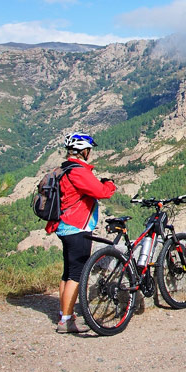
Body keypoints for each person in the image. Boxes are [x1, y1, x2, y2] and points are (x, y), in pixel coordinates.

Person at [46, 132, 116, 334]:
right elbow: (102, 192)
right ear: (83, 151)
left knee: (68, 272)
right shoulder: (78, 171)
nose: (90, 153)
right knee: (77, 274)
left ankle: (64, 314)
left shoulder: (64, 168)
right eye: (89, 150)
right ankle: (66, 321)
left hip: (64, 227)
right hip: (77, 227)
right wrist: (109, 183)